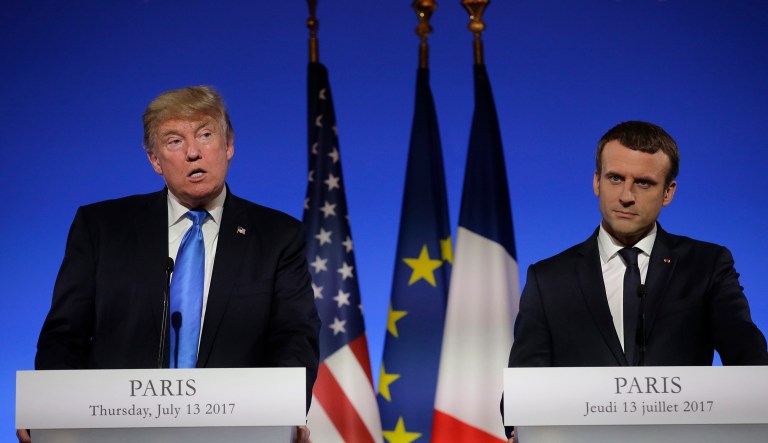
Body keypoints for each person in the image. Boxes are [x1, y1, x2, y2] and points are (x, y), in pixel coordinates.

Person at [18, 86, 320, 443]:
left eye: (206, 135)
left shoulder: (276, 236)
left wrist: (284, 411)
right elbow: (64, 335)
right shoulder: (101, 227)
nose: (193, 152)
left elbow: (294, 336)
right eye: (174, 141)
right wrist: (51, 410)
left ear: (229, 146)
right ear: (155, 160)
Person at [504, 120, 768, 442]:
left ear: (668, 192)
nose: (626, 195)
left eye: (643, 183)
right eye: (615, 178)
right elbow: (524, 379)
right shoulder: (549, 278)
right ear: (597, 181)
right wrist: (520, 423)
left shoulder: (706, 265)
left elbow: (749, 360)